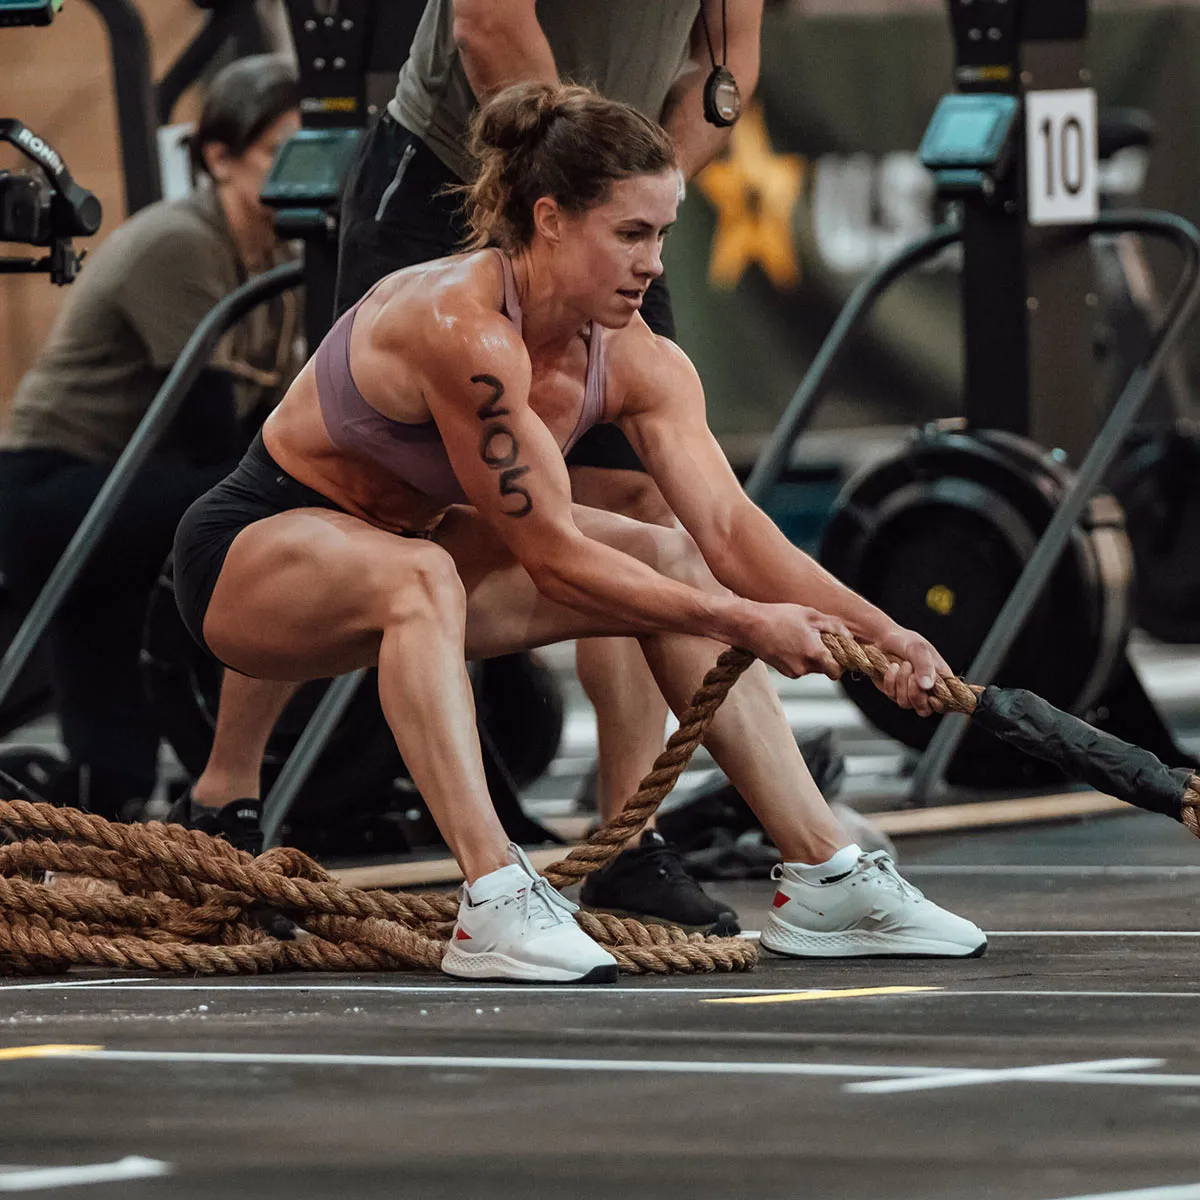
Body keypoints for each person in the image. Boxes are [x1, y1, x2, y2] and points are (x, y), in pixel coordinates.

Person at [172, 83, 986, 983]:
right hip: (251, 558)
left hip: (409, 550)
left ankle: (826, 873)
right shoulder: (461, 328)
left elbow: (730, 529)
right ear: (550, 219)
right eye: (630, 234)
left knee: (667, 553)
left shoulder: (636, 357)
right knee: (423, 575)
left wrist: (884, 632)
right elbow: (555, 559)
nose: (654, 265)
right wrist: (748, 621)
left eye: (664, 235)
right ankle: (493, 896)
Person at [183, 0, 767, 934]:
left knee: (634, 507)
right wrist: (573, 181)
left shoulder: (625, 242)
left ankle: (628, 838)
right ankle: (227, 792)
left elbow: (724, 69)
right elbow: (488, 26)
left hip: (596, 204)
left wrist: (635, 208)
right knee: (352, 494)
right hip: (452, 171)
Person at [0, 55, 302, 821]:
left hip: (131, 485)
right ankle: (236, 770)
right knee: (261, 501)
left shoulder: (279, 253)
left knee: (111, 783)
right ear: (220, 157)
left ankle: (117, 791)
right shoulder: (182, 243)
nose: (297, 171)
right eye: (277, 151)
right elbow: (212, 429)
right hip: (52, 491)